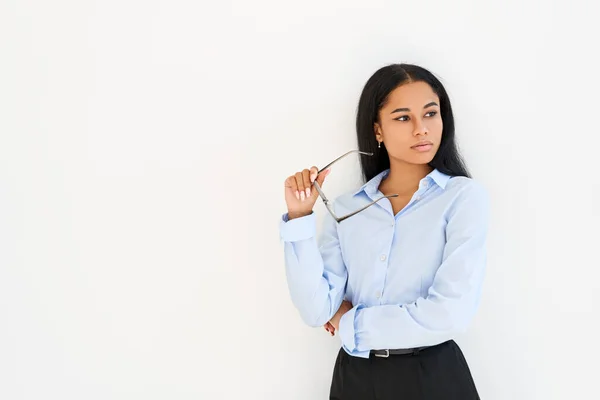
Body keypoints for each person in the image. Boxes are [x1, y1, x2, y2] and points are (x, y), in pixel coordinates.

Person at [279, 63, 490, 400]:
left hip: (433, 377)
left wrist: (353, 324)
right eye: (403, 117)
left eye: (431, 113)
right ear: (377, 130)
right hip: (355, 379)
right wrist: (300, 218)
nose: (422, 129)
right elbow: (317, 309)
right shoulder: (347, 209)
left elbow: (449, 312)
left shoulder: (463, 198)